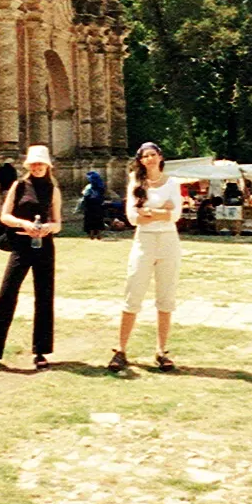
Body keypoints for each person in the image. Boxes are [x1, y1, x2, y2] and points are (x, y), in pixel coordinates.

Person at [0, 145, 62, 370]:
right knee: (7, 293)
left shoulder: (53, 189)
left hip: (43, 244)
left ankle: (41, 351)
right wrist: (24, 224)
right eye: (34, 164)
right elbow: (4, 215)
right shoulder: (19, 186)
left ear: (47, 166)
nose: (38, 167)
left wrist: (46, 228)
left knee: (44, 296)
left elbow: (58, 223)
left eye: (41, 164)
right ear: (28, 166)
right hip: (21, 244)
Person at [107, 142, 183, 373]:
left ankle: (162, 350)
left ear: (160, 157)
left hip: (168, 241)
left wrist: (149, 212)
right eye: (145, 156)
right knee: (133, 292)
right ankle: (121, 349)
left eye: (153, 155)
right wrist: (162, 211)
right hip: (145, 241)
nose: (149, 159)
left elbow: (176, 215)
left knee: (166, 296)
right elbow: (132, 217)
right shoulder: (135, 182)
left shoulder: (172, 183)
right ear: (140, 160)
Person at [80, 170, 106, 239]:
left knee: (90, 220)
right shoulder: (101, 185)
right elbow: (102, 195)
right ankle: (99, 235)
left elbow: (85, 195)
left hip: (90, 206)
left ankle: (91, 234)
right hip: (98, 205)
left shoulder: (89, 187)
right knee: (99, 219)